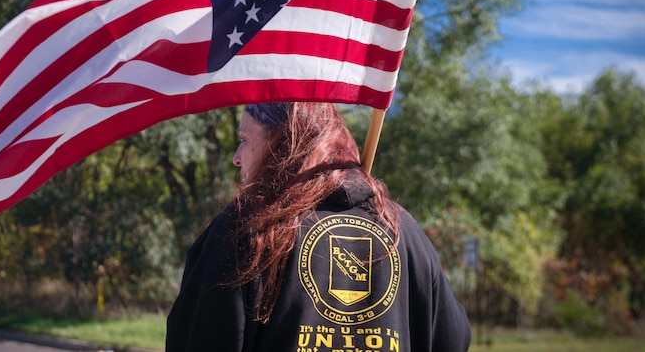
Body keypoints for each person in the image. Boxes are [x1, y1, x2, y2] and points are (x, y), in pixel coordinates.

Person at [166, 102, 471, 352]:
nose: (236, 157)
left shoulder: (245, 229)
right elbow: (452, 340)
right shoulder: (402, 229)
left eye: (244, 140)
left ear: (281, 143)